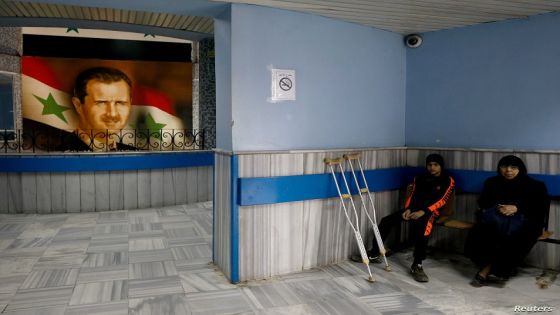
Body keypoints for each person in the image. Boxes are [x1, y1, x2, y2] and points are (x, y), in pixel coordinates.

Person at [353, 154, 455, 282]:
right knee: (386, 221)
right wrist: (407, 208)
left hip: (431, 212)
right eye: (429, 165)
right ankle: (374, 253)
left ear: (441, 166)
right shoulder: (419, 178)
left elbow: (442, 200)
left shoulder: (447, 180)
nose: (432, 168)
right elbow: (412, 195)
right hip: (413, 209)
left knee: (423, 229)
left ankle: (417, 265)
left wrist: (424, 211)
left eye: (435, 165)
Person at [465, 155, 549, 287]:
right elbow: (483, 202)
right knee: (482, 232)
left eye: (513, 167)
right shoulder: (492, 182)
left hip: (527, 221)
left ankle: (486, 271)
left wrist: (517, 208)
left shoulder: (535, 186)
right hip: (497, 219)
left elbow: (539, 208)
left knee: (516, 237)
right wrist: (500, 207)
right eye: (504, 167)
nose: (508, 170)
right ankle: (497, 268)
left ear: (520, 169)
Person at [67, 66, 135, 151]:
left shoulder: (136, 153)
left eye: (120, 103)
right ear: (78, 105)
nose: (112, 114)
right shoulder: (59, 154)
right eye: (101, 103)